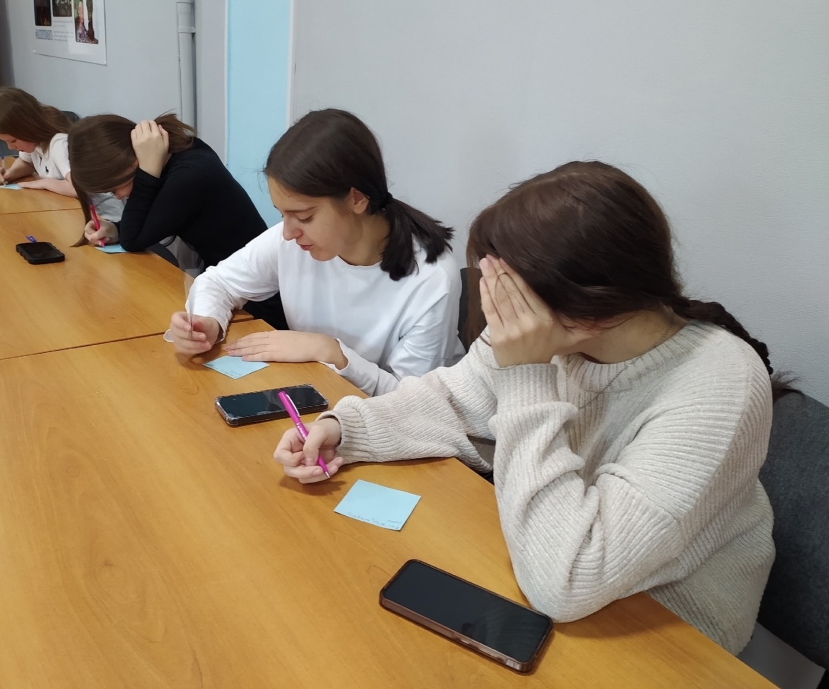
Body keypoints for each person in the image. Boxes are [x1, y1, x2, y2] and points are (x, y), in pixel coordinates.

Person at [275, 160, 784, 654]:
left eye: (508, 294)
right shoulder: (560, 330)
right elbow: (451, 400)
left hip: (665, 633)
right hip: (545, 568)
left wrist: (526, 373)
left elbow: (567, 580)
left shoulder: (720, 385)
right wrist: (347, 429)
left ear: (589, 309)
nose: (497, 309)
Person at [170, 109, 463, 396]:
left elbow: (412, 401)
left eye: (304, 216)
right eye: (282, 214)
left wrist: (331, 352)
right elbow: (219, 282)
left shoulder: (432, 278)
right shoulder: (293, 241)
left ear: (357, 199)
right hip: (319, 396)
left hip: (385, 419)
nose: (288, 233)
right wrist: (207, 322)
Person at [67, 113, 287, 326]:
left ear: (134, 163)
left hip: (254, 300)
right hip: (223, 287)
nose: (118, 196)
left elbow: (132, 239)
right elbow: (158, 218)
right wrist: (115, 228)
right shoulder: (179, 156)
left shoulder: (190, 173)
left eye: (116, 188)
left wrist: (147, 171)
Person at [0, 87, 122, 220]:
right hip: (72, 212)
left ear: (27, 127)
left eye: (13, 140)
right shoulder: (33, 143)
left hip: (105, 218)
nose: (10, 147)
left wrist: (45, 183)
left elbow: (77, 188)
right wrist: (10, 174)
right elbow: (27, 162)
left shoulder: (59, 145)